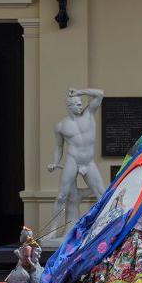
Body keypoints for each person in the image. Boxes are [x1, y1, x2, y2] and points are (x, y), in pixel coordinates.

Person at [46, 88, 106, 237]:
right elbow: (59, 147)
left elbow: (100, 94)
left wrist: (80, 91)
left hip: (89, 161)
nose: (80, 106)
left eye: (81, 104)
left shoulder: (89, 114)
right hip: (72, 160)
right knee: (61, 196)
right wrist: (55, 162)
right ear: (69, 106)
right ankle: (52, 231)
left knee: (102, 195)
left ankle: (105, 228)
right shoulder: (61, 126)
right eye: (77, 104)